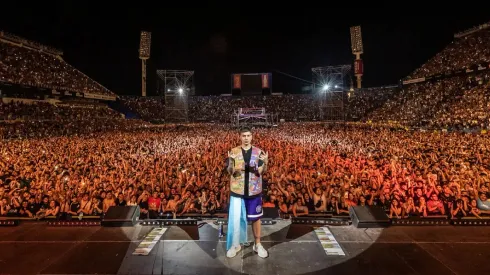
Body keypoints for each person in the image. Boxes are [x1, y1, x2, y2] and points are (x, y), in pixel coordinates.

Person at [226, 126, 269, 258]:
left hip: (254, 191)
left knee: (256, 219)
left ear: (252, 137)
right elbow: (230, 171)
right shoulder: (233, 151)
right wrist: (231, 162)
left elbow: (262, 172)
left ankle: (258, 244)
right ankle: (235, 244)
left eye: (248, 136)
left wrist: (265, 163)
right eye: (243, 136)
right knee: (236, 219)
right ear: (240, 137)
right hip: (237, 191)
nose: (246, 138)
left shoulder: (258, 152)